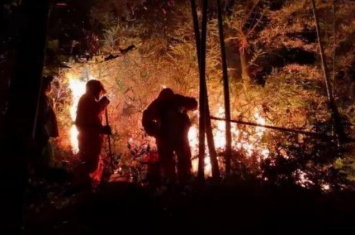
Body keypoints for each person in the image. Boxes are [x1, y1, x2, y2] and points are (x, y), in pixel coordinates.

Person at [142, 88, 198, 183]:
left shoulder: (176, 101)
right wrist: (154, 131)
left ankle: (182, 182)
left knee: (182, 163)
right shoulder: (158, 104)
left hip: (178, 138)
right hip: (166, 138)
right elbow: (146, 118)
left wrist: (184, 107)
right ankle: (173, 183)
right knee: (169, 165)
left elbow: (193, 103)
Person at [75, 79, 111, 190]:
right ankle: (84, 189)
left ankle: (87, 188)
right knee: (89, 165)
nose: (100, 94)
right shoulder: (87, 100)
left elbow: (93, 119)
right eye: (99, 91)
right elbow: (91, 120)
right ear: (95, 89)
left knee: (91, 164)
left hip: (90, 139)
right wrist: (103, 103)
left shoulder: (88, 100)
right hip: (88, 139)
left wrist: (102, 129)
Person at [32, 75, 59, 178]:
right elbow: (41, 117)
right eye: (48, 84)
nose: (50, 87)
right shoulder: (41, 100)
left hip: (44, 133)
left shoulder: (44, 99)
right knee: (40, 156)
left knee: (43, 155)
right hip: (41, 133)